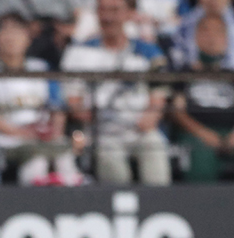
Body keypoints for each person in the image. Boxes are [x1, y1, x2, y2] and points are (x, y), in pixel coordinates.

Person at [60, 0, 171, 186]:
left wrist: (147, 119)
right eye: (103, 10)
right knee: (112, 163)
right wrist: (100, 119)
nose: (108, 17)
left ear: (130, 13)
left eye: (115, 10)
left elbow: (158, 96)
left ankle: (158, 209)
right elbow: (73, 101)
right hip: (101, 132)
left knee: (155, 147)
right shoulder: (78, 52)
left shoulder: (149, 52)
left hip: (140, 130)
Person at [0, 12, 81, 186]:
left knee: (64, 153)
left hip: (43, 134)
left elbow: (57, 108)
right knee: (37, 158)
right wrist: (26, 134)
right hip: (6, 138)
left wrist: (53, 131)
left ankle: (72, 192)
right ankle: (35, 194)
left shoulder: (42, 68)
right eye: (6, 32)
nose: (11, 37)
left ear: (28, 38)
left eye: (17, 32)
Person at [171, 13, 234, 182]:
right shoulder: (185, 74)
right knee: (200, 156)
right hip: (196, 136)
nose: (212, 38)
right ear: (196, 36)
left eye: (218, 32)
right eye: (206, 32)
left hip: (229, 134)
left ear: (226, 38)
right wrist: (203, 133)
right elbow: (178, 112)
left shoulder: (231, 75)